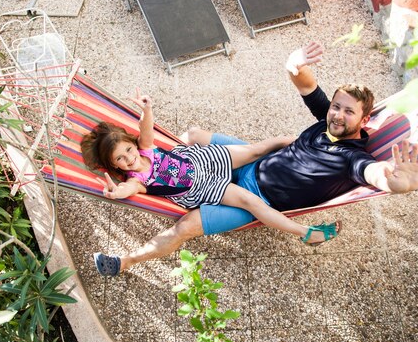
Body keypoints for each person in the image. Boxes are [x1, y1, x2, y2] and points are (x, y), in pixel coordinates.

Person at [91, 42, 418, 277]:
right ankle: (175, 177)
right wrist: (294, 62)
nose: (337, 114)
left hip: (256, 198)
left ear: (364, 121)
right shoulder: (328, 119)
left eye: (348, 111)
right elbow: (304, 81)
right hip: (235, 163)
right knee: (194, 134)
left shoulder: (352, 158)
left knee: (184, 227)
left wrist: (401, 182)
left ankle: (125, 261)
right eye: (336, 106)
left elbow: (377, 174)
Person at [81, 89, 342, 275]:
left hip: (205, 158)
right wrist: (117, 192)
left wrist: (147, 109)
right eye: (120, 159)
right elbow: (129, 188)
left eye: (128, 150)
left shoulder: (145, 148)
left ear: (132, 145)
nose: (128, 158)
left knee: (263, 147)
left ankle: (316, 146)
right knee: (250, 201)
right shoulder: (136, 179)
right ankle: (306, 233)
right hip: (205, 186)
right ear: (114, 165)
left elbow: (145, 129)